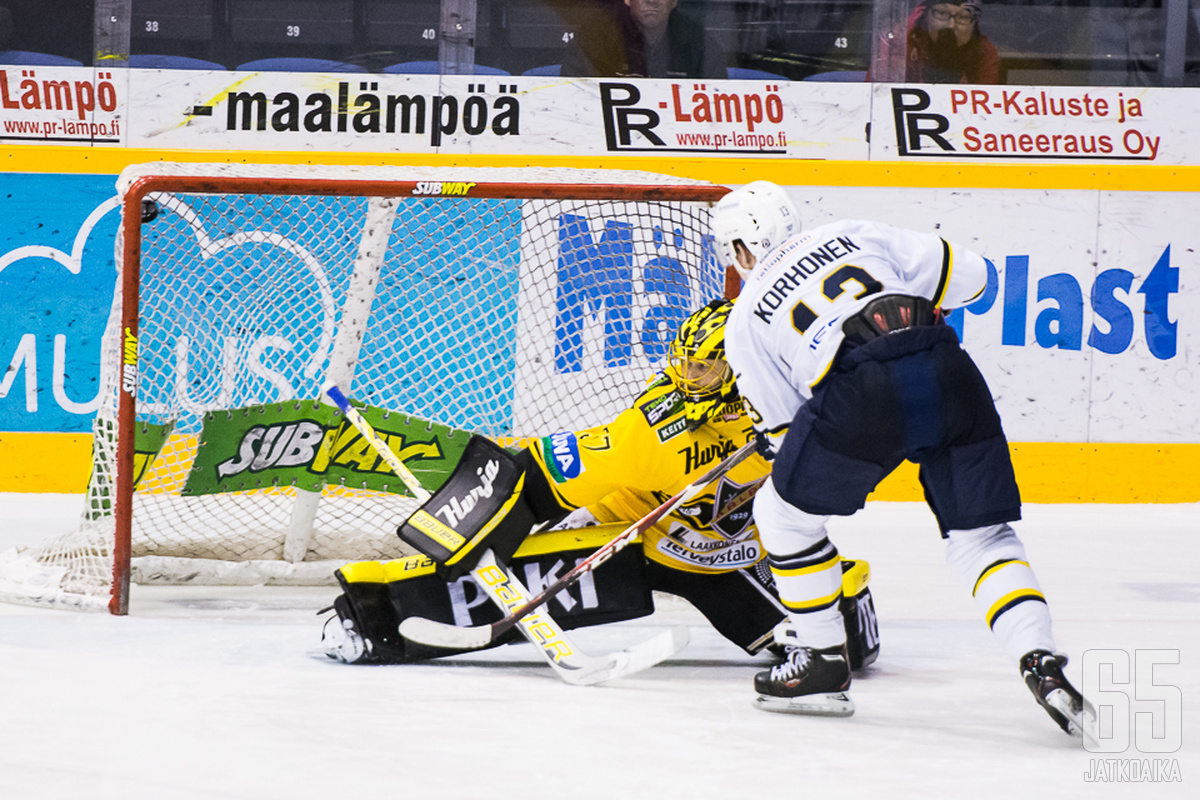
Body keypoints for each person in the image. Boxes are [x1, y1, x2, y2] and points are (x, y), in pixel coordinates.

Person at [712, 181, 1094, 741]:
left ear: (741, 248)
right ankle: (1040, 660)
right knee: (983, 537)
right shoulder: (851, 234)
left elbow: (782, 432)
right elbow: (978, 277)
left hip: (860, 391)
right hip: (945, 366)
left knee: (781, 515)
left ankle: (821, 662)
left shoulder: (744, 319)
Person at [319, 300, 879, 672]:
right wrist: (477, 528)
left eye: (702, 371)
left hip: (732, 558)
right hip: (630, 535)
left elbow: (847, 484)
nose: (686, 381)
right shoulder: (655, 433)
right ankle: (368, 616)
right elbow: (539, 474)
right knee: (486, 582)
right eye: (682, 366)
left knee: (843, 649)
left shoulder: (799, 404)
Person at [561, 0, 729, 79]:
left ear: (674, 2)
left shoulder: (698, 43)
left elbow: (716, 115)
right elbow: (574, 104)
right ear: (627, 0)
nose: (652, 1)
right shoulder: (595, 37)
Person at [876, 0, 1000, 84]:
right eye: (942, 13)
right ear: (927, 16)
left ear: (974, 24)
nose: (951, 25)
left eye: (963, 17)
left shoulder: (983, 52)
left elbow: (985, 114)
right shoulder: (900, 45)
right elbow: (880, 101)